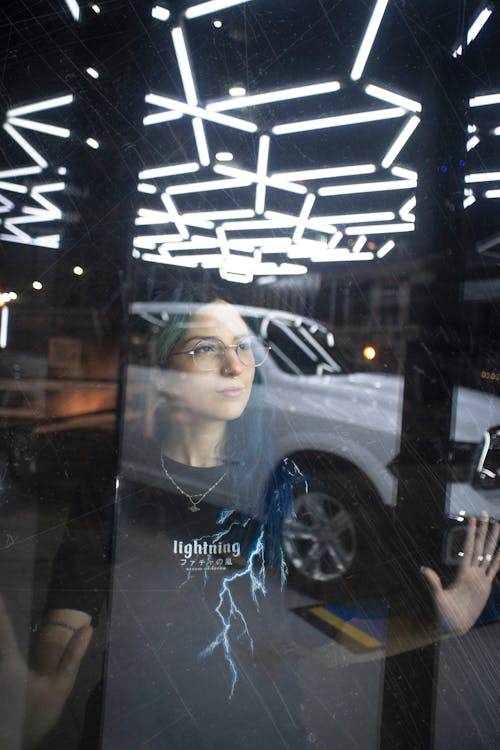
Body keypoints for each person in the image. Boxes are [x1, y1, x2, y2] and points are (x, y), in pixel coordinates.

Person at [2, 286, 499, 749]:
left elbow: (310, 639)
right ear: (164, 374)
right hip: (136, 730)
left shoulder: (284, 488)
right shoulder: (119, 482)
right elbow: (71, 608)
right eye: (205, 349)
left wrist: (437, 625)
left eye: (242, 347)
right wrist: (44, 686)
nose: (234, 366)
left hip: (268, 732)